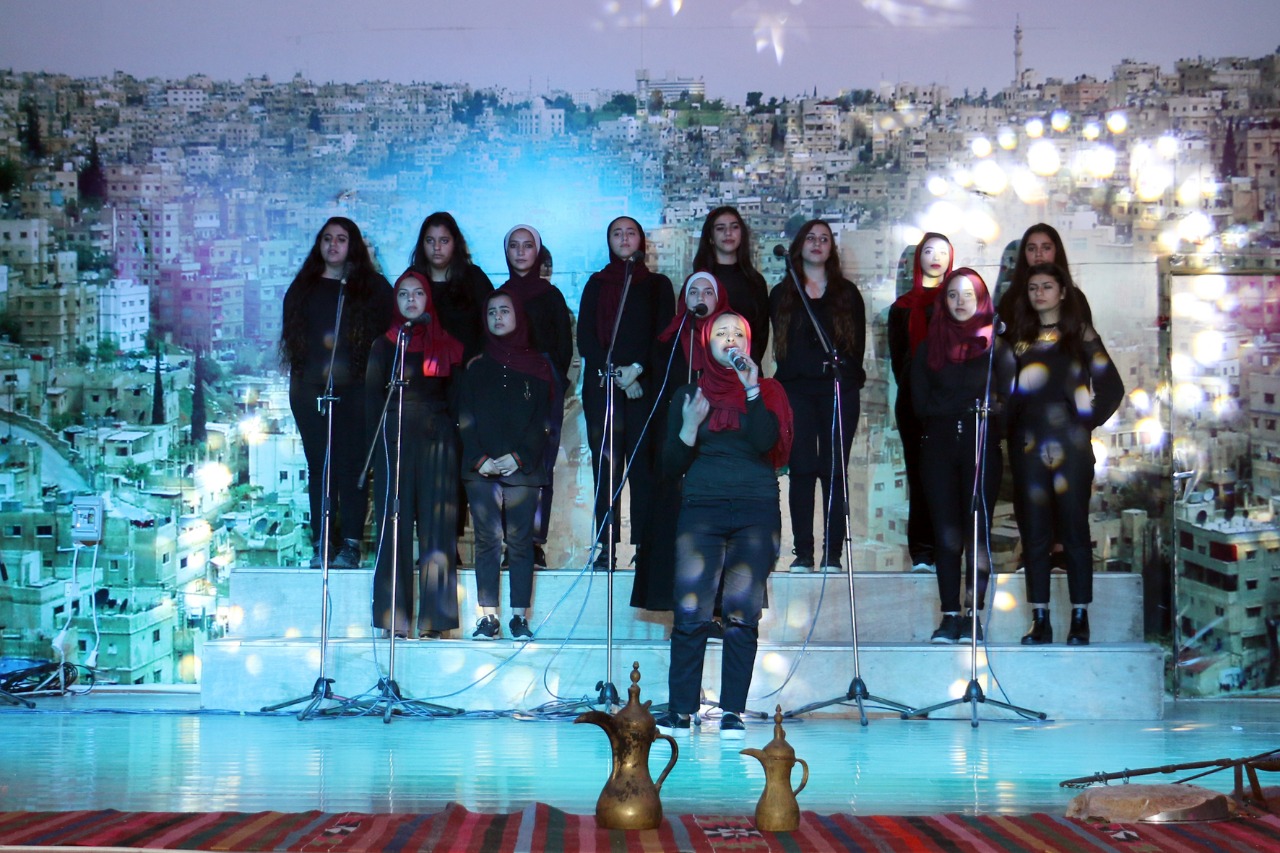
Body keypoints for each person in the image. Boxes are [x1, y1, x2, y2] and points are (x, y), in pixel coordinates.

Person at [656, 312, 793, 739]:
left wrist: (751, 389)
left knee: (742, 615)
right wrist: (689, 426)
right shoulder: (688, 394)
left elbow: (766, 442)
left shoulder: (768, 390)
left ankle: (733, 710)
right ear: (705, 342)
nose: (730, 339)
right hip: (702, 510)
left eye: (738, 334)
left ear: (749, 344)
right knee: (691, 612)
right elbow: (670, 465)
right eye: (721, 333)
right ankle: (681, 710)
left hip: (756, 511)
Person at [1007, 262, 1123, 646]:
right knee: (1034, 534)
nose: (1039, 293)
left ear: (1061, 291)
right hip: (1028, 449)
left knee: (1074, 531)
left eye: (1047, 286)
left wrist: (1083, 423)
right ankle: (1039, 620)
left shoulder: (1080, 334)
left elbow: (1112, 387)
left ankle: (1080, 618)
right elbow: (1006, 396)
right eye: (1033, 287)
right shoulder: (1018, 338)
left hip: (1071, 450)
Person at [280, 217, 394, 568]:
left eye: (341, 239)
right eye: (327, 238)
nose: (333, 245)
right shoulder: (303, 288)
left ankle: (351, 545)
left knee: (351, 466)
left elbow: (388, 338)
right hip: (310, 390)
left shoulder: (373, 288)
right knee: (320, 466)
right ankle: (322, 543)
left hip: (357, 390)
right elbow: (295, 340)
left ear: (352, 245)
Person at [910, 269, 1015, 644]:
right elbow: (919, 403)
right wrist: (960, 407)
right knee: (947, 535)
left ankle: (974, 615)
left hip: (981, 447)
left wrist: (972, 411)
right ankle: (950, 615)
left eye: (968, 294)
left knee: (977, 533)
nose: (960, 301)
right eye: (952, 294)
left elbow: (1009, 403)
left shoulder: (996, 348)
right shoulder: (930, 347)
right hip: (938, 447)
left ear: (982, 300)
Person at [365, 271, 463, 638]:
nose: (411, 300)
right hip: (394, 440)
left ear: (428, 300)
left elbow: (457, 400)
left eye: (418, 293)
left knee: (437, 529)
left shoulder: (447, 344)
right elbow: (372, 400)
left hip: (437, 438)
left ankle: (436, 621)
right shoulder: (384, 346)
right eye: (403, 294)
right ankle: (395, 618)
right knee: (393, 525)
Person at [577, 217, 675, 570]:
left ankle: (644, 545)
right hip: (604, 388)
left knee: (642, 467)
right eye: (616, 233)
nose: (623, 238)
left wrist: (637, 369)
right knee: (606, 467)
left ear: (641, 241)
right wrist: (619, 373)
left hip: (642, 391)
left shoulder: (657, 285)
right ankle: (606, 545)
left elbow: (663, 336)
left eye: (630, 233)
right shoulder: (596, 283)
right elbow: (585, 338)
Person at [770, 220, 866, 572]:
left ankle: (833, 554)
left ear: (831, 249)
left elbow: (856, 349)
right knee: (802, 470)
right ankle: (804, 553)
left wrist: (844, 379)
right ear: (799, 246)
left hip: (837, 390)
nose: (817, 243)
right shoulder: (782, 294)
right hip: (796, 391)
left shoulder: (847, 294)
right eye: (810, 238)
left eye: (824, 239)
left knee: (834, 470)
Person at [456, 292, 552, 641]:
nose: (498, 317)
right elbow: (465, 416)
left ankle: (518, 617)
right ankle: (488, 617)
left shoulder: (538, 366)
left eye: (505, 311)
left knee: (520, 542)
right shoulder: (477, 367)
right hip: (481, 469)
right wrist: (479, 458)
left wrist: (519, 457)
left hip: (523, 469)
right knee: (487, 541)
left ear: (518, 317)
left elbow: (544, 421)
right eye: (492, 312)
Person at [632, 272, 729, 610]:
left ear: (718, 299)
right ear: (683, 300)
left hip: (719, 444)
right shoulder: (668, 341)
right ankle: (676, 608)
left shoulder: (731, 338)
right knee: (672, 517)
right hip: (675, 439)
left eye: (707, 292)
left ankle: (717, 608)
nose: (700, 297)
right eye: (693, 292)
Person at [499, 225, 573, 570]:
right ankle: (510, 543)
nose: (520, 252)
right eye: (514, 246)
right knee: (506, 464)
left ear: (538, 252)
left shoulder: (551, 296)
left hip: (545, 389)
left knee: (541, 466)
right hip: (505, 391)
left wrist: (550, 380)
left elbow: (563, 347)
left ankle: (534, 543)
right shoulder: (499, 296)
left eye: (527, 246)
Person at [887, 233, 953, 572]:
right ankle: (923, 552)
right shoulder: (901, 308)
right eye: (929, 251)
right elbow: (898, 360)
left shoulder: (957, 302)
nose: (936, 257)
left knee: (948, 477)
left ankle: (948, 549)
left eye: (943, 251)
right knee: (919, 475)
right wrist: (916, 388)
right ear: (917, 259)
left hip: (950, 401)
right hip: (913, 401)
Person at [407, 212, 493, 361]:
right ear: (422, 244)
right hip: (421, 368)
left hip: (468, 367)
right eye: (430, 241)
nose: (437, 247)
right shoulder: (411, 279)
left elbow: (492, 322)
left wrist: (484, 357)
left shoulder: (474, 278)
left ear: (455, 243)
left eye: (444, 241)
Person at [693, 206, 770, 364]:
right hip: (706, 370)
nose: (728, 233)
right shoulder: (699, 280)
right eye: (720, 228)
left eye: (734, 227)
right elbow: (689, 333)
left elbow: (761, 334)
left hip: (747, 367)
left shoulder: (756, 281)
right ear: (710, 237)